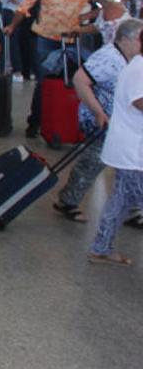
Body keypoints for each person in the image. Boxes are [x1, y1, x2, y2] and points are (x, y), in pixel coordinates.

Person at [54, 18, 143, 223]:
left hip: (123, 121)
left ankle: (132, 208)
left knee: (131, 163)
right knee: (93, 162)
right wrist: (98, 112)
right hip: (101, 120)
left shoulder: (133, 59)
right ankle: (67, 201)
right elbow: (80, 80)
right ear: (125, 39)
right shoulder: (109, 57)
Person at [6, 0, 94, 137]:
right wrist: (12, 26)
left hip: (72, 41)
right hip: (45, 39)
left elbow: (100, 8)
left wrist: (84, 18)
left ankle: (68, 124)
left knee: (72, 83)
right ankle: (35, 122)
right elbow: (26, 5)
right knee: (44, 82)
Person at [87, 43, 143, 267]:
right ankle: (100, 248)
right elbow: (139, 102)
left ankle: (100, 249)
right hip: (132, 152)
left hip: (129, 149)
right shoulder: (139, 69)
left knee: (120, 201)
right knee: (125, 199)